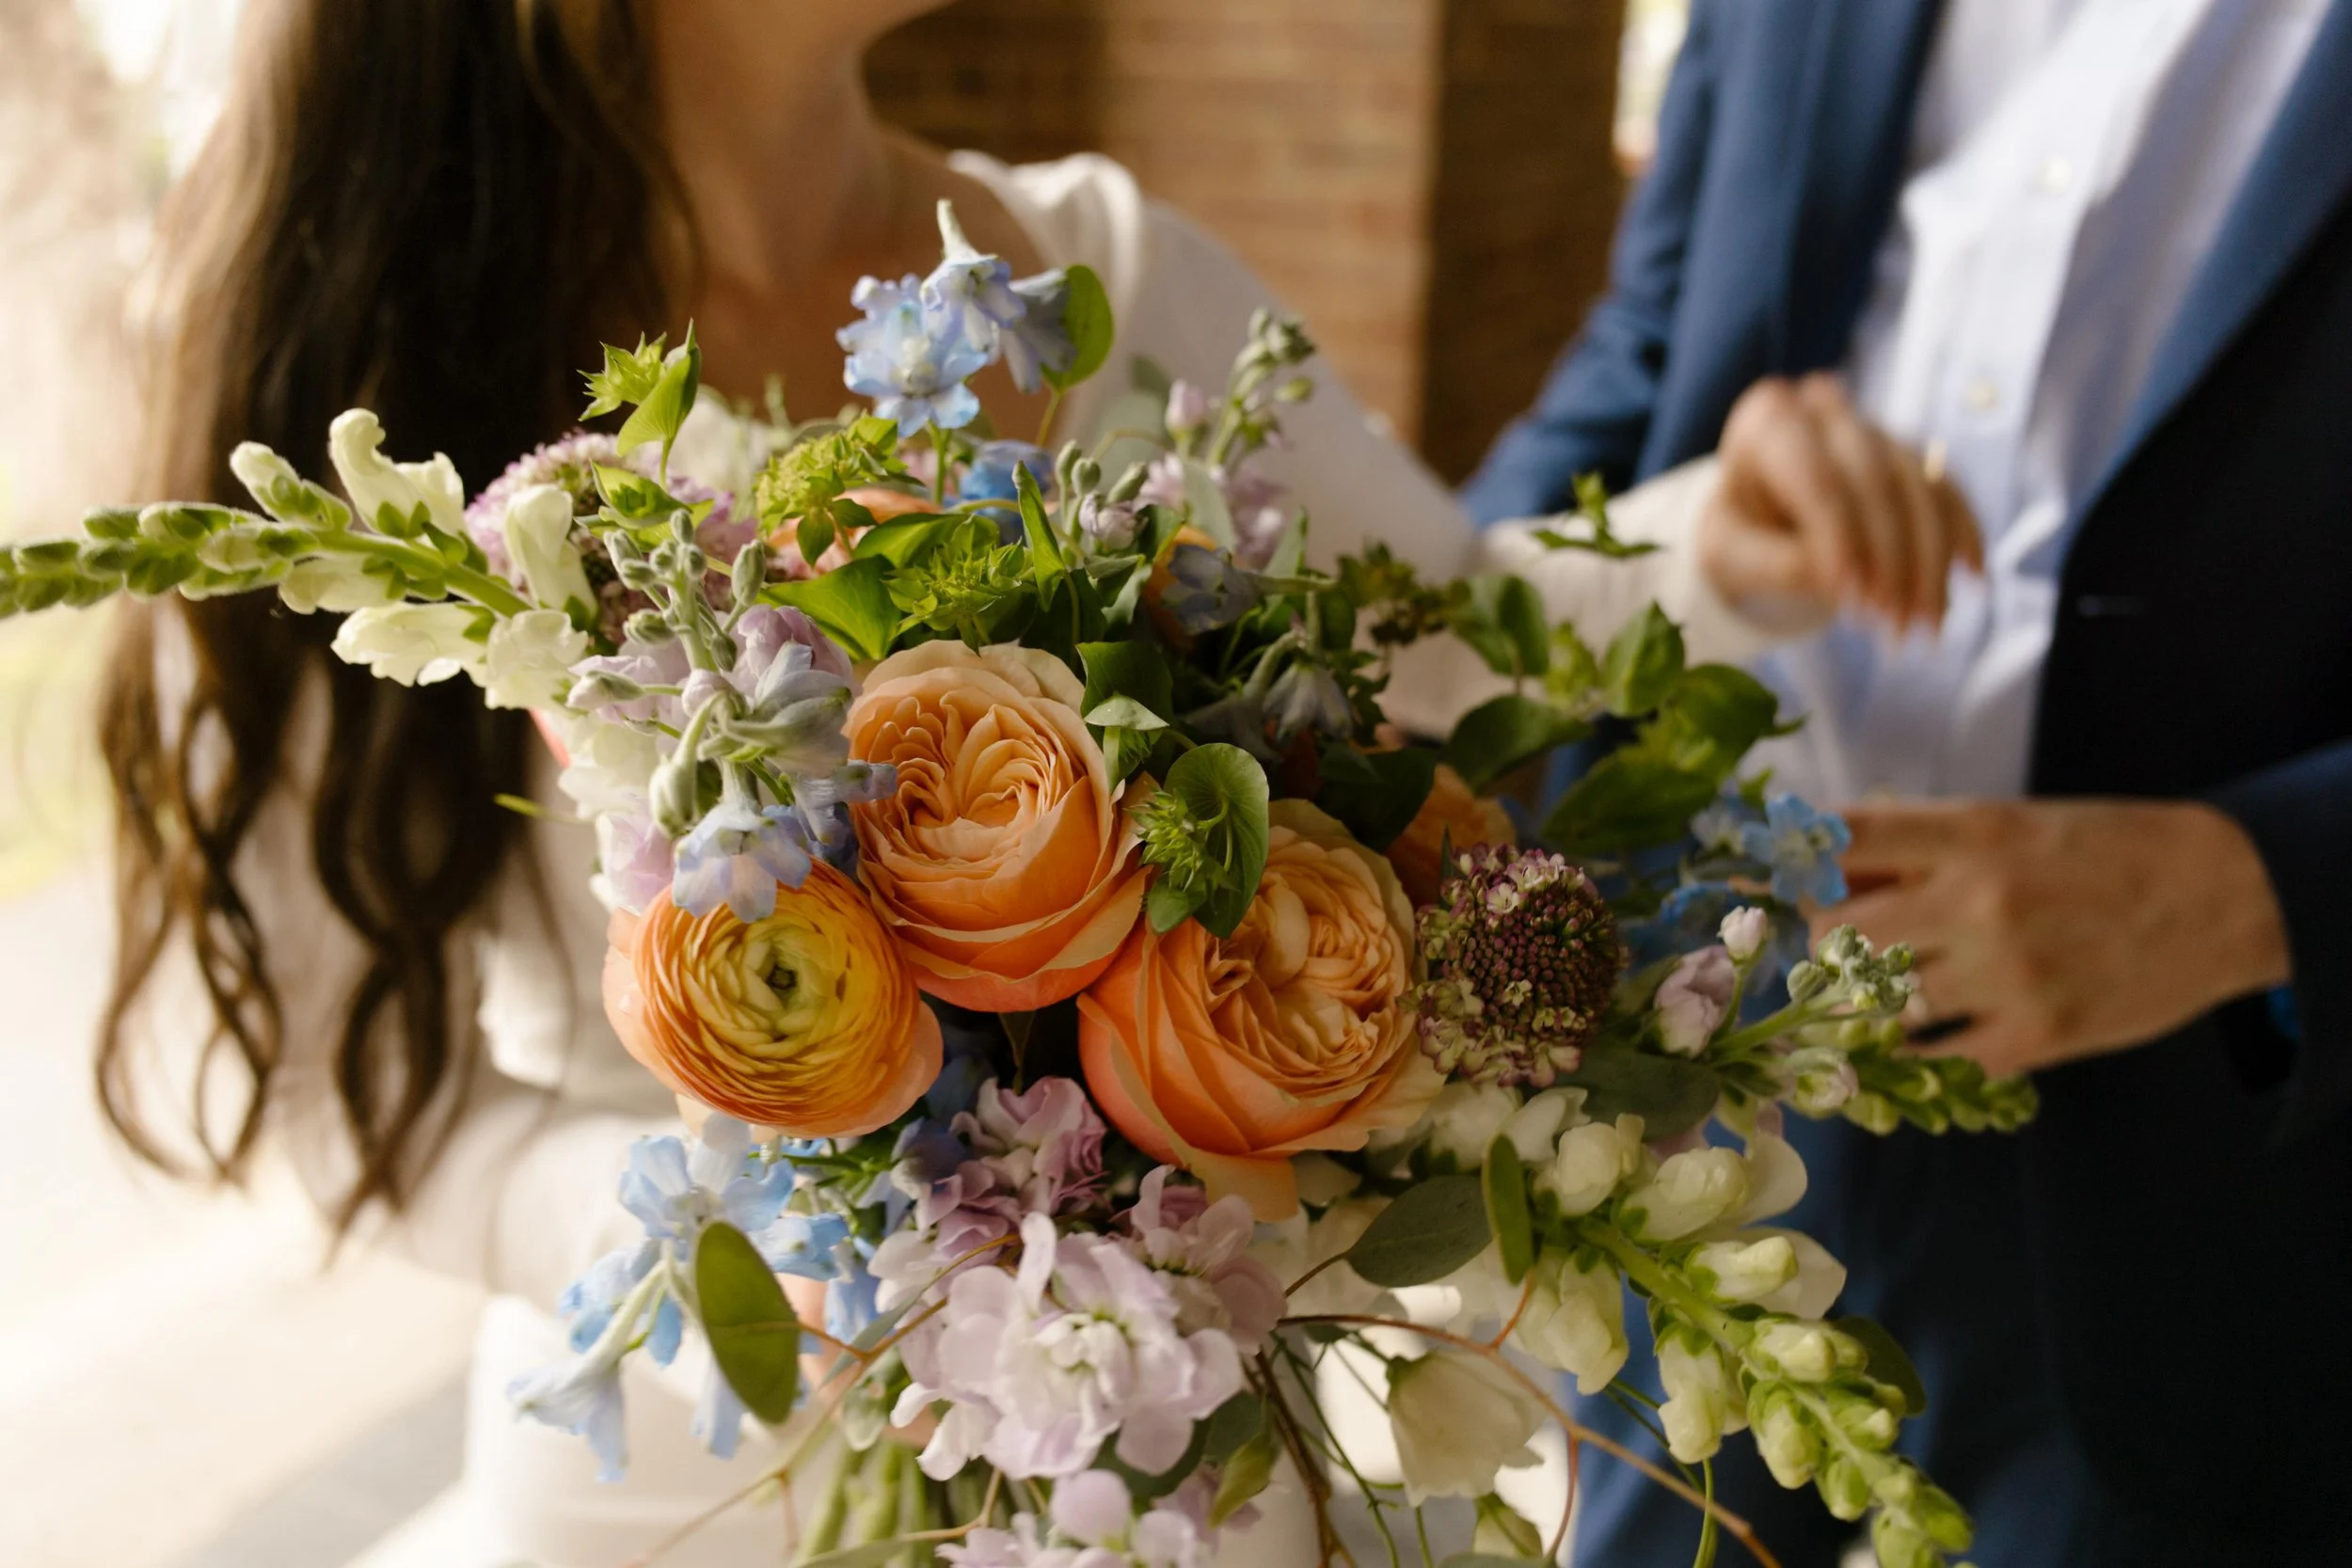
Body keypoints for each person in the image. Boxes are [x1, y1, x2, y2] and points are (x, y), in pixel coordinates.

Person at [91, 2, 1965, 1563]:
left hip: (1172, 1479)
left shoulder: (1097, 273)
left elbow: (1449, 633)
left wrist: (1716, 539)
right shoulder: (381, 352)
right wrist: (705, 1225)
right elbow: (319, 1080)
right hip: (680, 1480)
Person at [1465, 1, 2352, 1564]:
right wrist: (1422, 670)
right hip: (1681, 1089)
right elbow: (1645, 361)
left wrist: (2256, 882)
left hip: (2219, 1163)